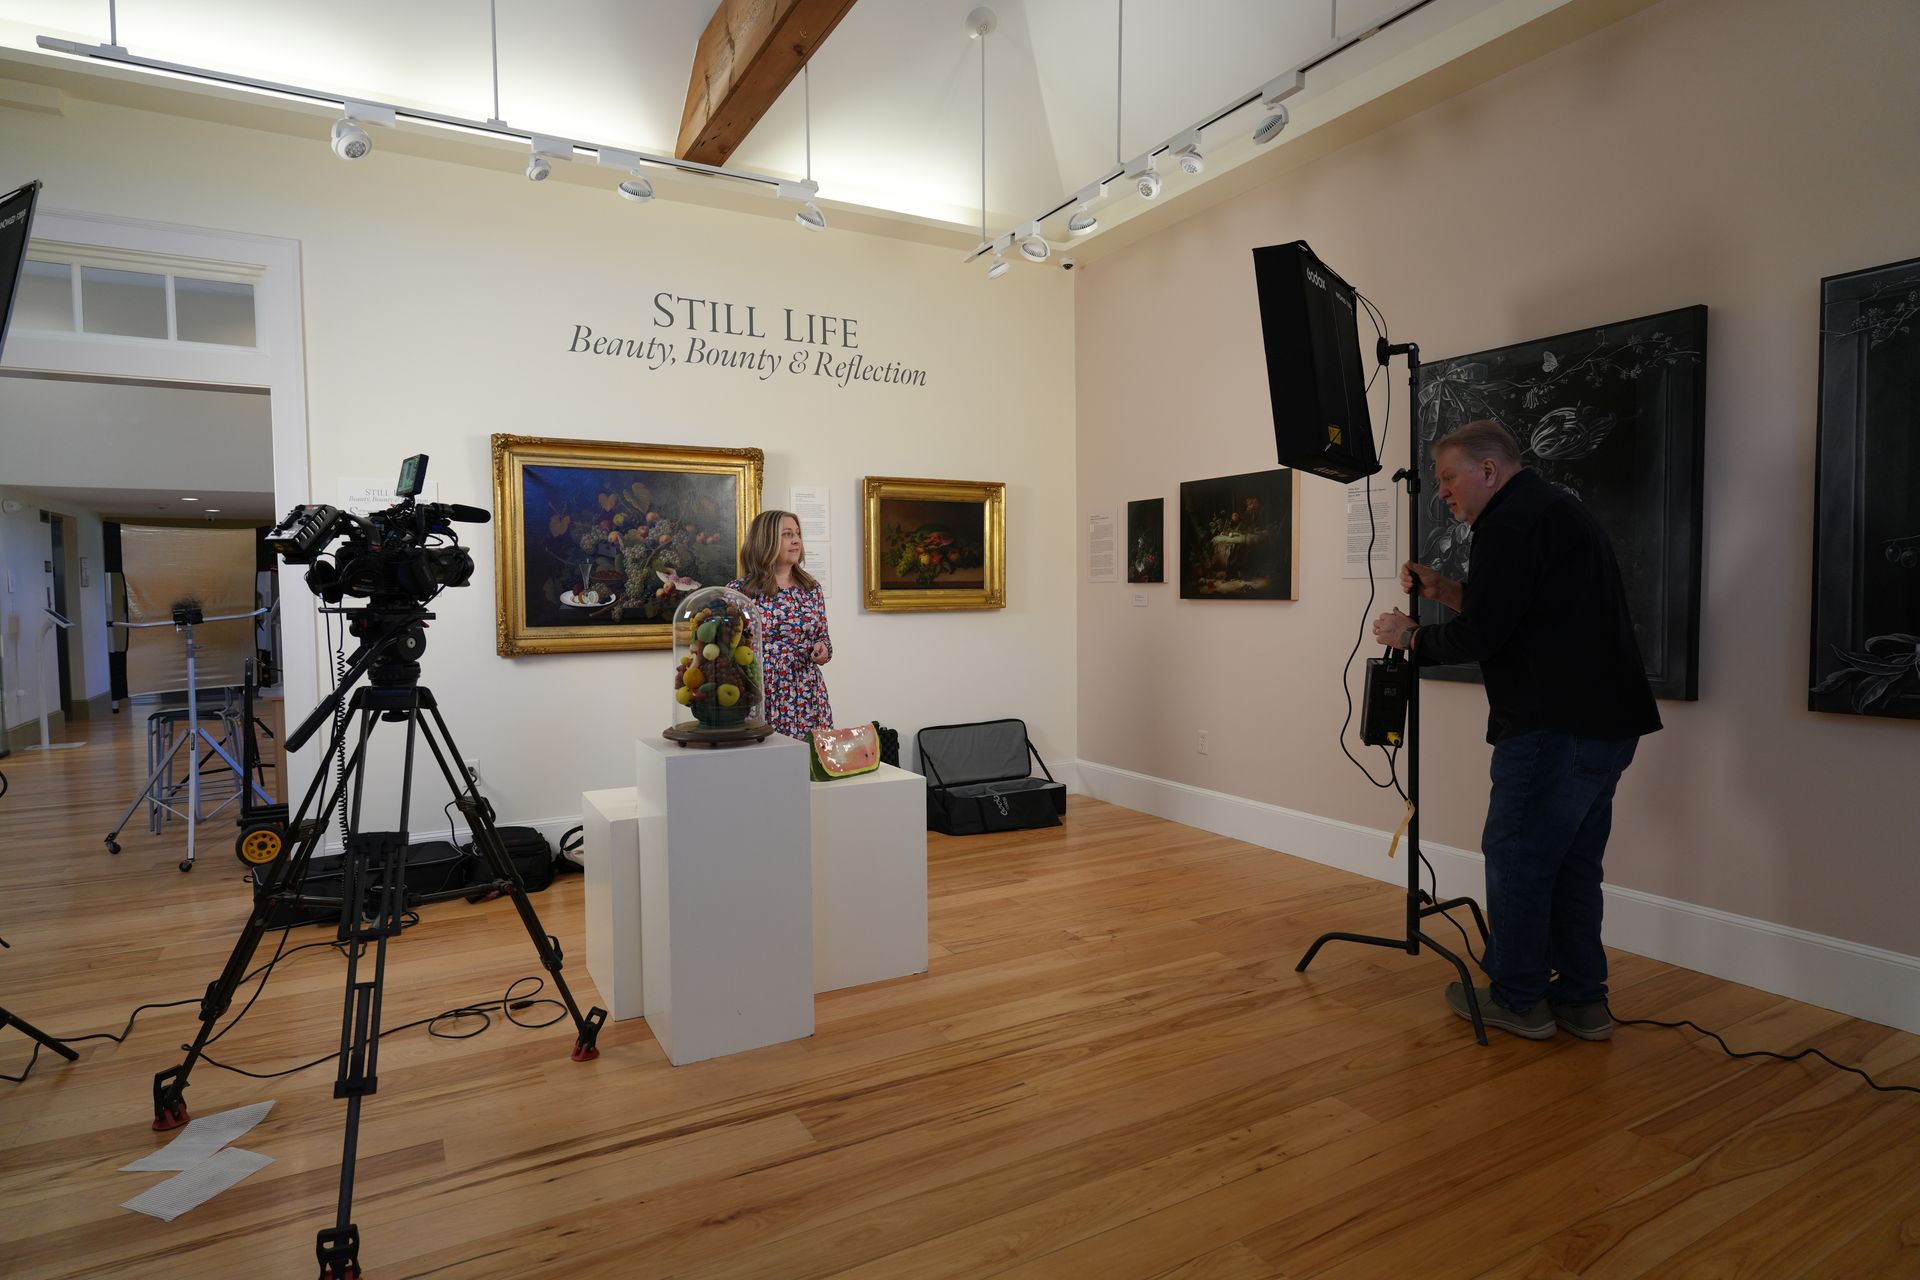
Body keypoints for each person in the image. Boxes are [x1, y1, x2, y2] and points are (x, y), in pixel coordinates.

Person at [1372, 419, 1660, 1042]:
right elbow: (1524, 612)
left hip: (1552, 726)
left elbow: (1484, 637)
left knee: (1520, 860)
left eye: (1448, 478)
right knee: (1574, 866)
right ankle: (1583, 1002)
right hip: (1608, 724)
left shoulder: (1507, 523)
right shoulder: (1555, 510)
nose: (1442, 492)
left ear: (1489, 470)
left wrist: (1409, 636)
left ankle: (1519, 998)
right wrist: (1448, 591)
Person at [729, 510, 833, 740]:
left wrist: (823, 649)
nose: (796, 540)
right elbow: (729, 650)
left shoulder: (811, 588)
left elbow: (822, 636)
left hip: (807, 694)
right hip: (761, 692)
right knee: (764, 758)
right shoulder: (740, 591)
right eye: (787, 534)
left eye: (797, 534)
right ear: (766, 540)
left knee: (809, 759)